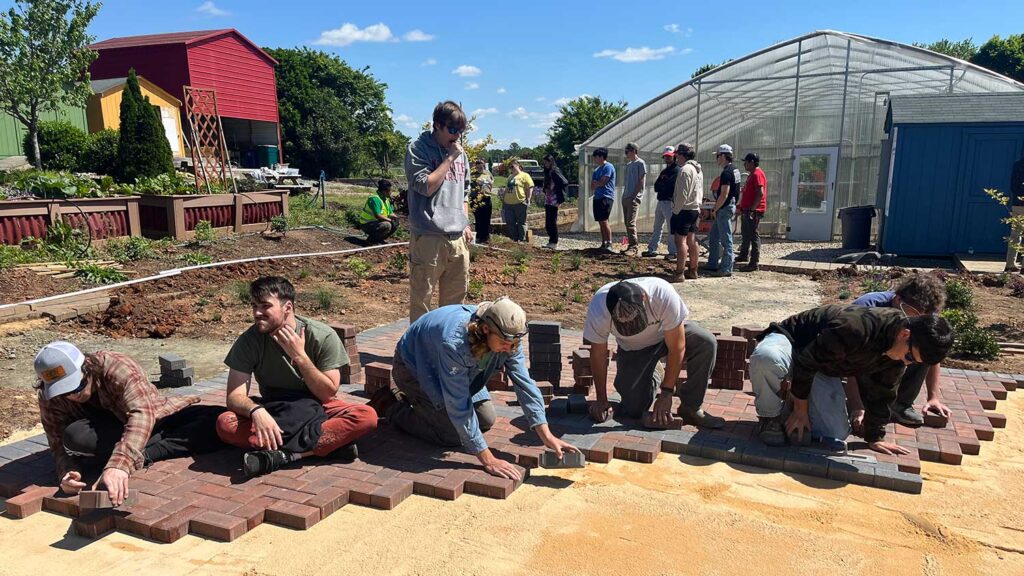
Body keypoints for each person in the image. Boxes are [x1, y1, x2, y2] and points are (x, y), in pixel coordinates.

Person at [368, 298, 580, 480]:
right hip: (418, 367)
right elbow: (458, 404)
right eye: (505, 342)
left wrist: (547, 435)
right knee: (449, 435)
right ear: (486, 329)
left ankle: (426, 411)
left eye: (513, 342)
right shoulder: (455, 344)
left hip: (459, 370)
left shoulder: (509, 337)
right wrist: (488, 459)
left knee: (486, 419)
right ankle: (393, 407)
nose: (509, 348)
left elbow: (524, 383)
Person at [216, 276, 378, 477]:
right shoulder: (250, 340)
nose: (257, 313)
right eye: (254, 306)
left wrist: (300, 356)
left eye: (265, 306)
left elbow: (327, 393)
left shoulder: (322, 335)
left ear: (288, 307)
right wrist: (257, 411)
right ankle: (326, 448)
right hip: (276, 408)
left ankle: (283, 456)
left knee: (366, 417)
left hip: (318, 405)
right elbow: (234, 396)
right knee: (226, 424)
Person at [748, 305, 953, 455]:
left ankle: (791, 406)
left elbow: (882, 394)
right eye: (910, 356)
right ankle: (769, 417)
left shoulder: (897, 355)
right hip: (795, 340)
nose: (907, 363)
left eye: (914, 362)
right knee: (766, 359)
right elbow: (806, 362)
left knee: (836, 432)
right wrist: (802, 409)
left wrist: (875, 437)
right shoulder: (856, 328)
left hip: (821, 364)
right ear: (905, 334)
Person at [34, 342, 221, 506]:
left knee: (215, 421)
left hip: (153, 418)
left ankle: (141, 451)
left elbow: (142, 414)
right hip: (107, 431)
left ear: (87, 367)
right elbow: (57, 442)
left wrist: (119, 466)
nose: (73, 395)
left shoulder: (118, 366)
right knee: (75, 438)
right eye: (65, 392)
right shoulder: (48, 396)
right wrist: (67, 471)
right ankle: (146, 450)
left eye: (78, 386)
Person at [584, 278, 726, 429]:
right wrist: (601, 399)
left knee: (706, 342)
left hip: (667, 336)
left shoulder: (662, 294)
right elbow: (598, 355)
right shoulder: (599, 309)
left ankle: (691, 406)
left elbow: (677, 348)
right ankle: (656, 370)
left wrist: (666, 393)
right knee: (633, 409)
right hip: (634, 349)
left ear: (644, 299)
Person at [846, 273, 950, 428]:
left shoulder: (926, 315)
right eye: (914, 316)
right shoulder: (867, 307)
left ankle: (900, 404)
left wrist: (933, 397)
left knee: (923, 346)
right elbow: (848, 361)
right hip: (863, 362)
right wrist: (856, 405)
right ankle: (867, 399)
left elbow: (933, 355)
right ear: (898, 300)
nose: (916, 322)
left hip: (892, 363)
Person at [404, 100, 472, 321]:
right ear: (437, 125)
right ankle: (418, 352)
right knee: (422, 300)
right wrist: (449, 158)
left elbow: (464, 192)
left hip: (457, 237)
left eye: (461, 131)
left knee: (455, 306)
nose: (457, 136)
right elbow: (425, 186)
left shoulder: (462, 155)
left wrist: (466, 221)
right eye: (453, 130)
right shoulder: (418, 149)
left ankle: (446, 350)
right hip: (429, 236)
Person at [706, 144, 741, 277]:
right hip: (728, 205)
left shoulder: (726, 172)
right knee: (714, 236)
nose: (717, 159)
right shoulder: (735, 170)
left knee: (726, 239)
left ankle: (726, 268)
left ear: (723, 156)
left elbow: (724, 194)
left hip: (724, 208)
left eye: (717, 156)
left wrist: (715, 208)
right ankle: (713, 263)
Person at [670, 142, 703, 282]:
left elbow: (682, 194)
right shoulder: (698, 169)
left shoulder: (685, 170)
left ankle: (679, 273)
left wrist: (676, 211)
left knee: (680, 241)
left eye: (677, 155)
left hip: (685, 209)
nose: (676, 158)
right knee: (692, 239)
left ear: (682, 155)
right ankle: (693, 270)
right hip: (695, 209)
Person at [643, 145, 680, 260]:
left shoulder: (677, 170)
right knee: (657, 226)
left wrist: (663, 185)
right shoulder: (665, 171)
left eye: (669, 156)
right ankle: (652, 249)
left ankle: (673, 252)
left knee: (671, 228)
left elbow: (670, 187)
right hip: (661, 201)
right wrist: (663, 185)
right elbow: (656, 186)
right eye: (666, 156)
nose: (667, 158)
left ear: (674, 156)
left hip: (669, 202)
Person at [736, 152, 766, 272]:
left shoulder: (757, 174)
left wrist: (753, 209)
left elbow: (760, 193)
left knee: (753, 235)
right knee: (746, 233)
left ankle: (754, 262)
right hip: (747, 209)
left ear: (752, 162)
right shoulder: (752, 174)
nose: (744, 164)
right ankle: (744, 255)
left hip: (754, 210)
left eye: (746, 162)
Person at [621, 143, 647, 255]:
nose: (626, 154)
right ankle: (630, 245)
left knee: (631, 223)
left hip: (633, 197)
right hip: (626, 196)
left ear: (634, 151)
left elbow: (641, 181)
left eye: (627, 151)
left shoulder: (640, 163)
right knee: (627, 223)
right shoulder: (629, 165)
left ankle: (634, 247)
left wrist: (633, 196)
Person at [357, 179, 399, 245]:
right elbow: (378, 215)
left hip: (376, 222)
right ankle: (370, 240)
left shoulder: (385, 199)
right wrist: (390, 220)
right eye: (390, 190)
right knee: (387, 225)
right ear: (384, 191)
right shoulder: (375, 199)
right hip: (366, 224)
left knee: (395, 223)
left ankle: (379, 239)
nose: (391, 192)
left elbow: (390, 212)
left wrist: (395, 218)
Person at [591, 148, 616, 253]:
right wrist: (597, 183)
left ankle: (609, 243)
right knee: (600, 221)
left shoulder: (608, 167)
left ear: (601, 157)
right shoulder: (597, 170)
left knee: (605, 220)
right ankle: (604, 243)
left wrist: (597, 183)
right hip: (597, 197)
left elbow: (603, 182)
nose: (595, 159)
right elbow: (592, 185)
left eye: (596, 157)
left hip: (606, 197)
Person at [502, 159, 534, 242]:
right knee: (510, 222)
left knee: (521, 222)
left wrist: (528, 199)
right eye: (510, 167)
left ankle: (522, 239)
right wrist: (503, 200)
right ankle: (514, 239)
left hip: (520, 202)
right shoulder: (510, 176)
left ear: (518, 165)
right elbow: (506, 189)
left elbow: (530, 187)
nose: (511, 168)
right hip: (508, 203)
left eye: (512, 166)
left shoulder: (525, 175)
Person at [542, 154, 568, 249]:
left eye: (547, 162)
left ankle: (554, 241)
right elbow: (546, 184)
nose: (546, 164)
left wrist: (559, 199)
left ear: (551, 162)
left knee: (552, 221)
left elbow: (564, 182)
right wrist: (545, 189)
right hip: (548, 199)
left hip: (554, 200)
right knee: (548, 222)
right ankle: (551, 240)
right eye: (544, 162)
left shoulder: (555, 171)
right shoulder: (547, 172)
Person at [469, 159, 494, 244]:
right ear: (476, 167)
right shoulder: (472, 174)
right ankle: (479, 237)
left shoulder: (487, 173)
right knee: (478, 219)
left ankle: (486, 237)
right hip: (476, 199)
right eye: (478, 167)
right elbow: (469, 185)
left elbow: (491, 182)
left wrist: (487, 183)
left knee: (486, 219)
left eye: (482, 166)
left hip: (486, 197)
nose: (480, 168)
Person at [1006, 155, 1024, 272]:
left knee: (1015, 234)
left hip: (1018, 204)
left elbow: (1014, 186)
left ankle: (1010, 264)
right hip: (1019, 203)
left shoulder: (1018, 164)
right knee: (1016, 234)